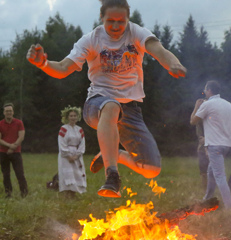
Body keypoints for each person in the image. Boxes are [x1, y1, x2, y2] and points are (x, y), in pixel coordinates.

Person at [26, 0, 187, 198]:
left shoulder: (136, 32)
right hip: (98, 104)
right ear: (101, 17)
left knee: (151, 169)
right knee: (111, 106)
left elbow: (158, 50)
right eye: (110, 21)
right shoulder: (91, 40)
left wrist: (173, 63)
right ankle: (112, 176)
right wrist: (42, 63)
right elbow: (62, 69)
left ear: (128, 18)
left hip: (131, 110)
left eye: (121, 21)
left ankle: (113, 154)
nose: (116, 26)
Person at [190, 80, 231, 209]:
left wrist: (197, 106)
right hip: (226, 146)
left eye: (205, 90)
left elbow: (193, 121)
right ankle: (207, 199)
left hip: (214, 146)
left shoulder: (207, 104)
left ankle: (230, 207)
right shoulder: (228, 104)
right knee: (211, 171)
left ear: (209, 90)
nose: (204, 92)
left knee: (220, 176)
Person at [0, 103, 28, 198]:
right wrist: (9, 146)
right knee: (6, 175)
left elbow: (21, 136)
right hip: (3, 153)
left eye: (10, 111)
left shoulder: (19, 122)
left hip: (16, 153)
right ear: (4, 112)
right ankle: (8, 194)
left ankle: (24, 193)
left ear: (13, 112)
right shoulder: (0, 124)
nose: (9, 112)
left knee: (20, 173)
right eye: (7, 111)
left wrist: (13, 147)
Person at [58, 106, 86, 198]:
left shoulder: (79, 129)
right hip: (66, 155)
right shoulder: (64, 128)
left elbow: (82, 143)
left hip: (76, 154)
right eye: (71, 116)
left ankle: (74, 193)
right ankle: (67, 194)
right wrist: (68, 155)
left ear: (77, 117)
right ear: (67, 117)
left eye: (75, 116)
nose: (73, 118)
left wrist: (77, 155)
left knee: (76, 173)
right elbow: (61, 142)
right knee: (67, 173)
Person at [195, 109, 209, 190]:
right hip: (202, 148)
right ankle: (205, 190)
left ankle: (211, 188)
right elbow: (200, 138)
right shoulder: (199, 121)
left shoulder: (213, 119)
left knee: (214, 171)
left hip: (213, 147)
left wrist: (207, 139)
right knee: (203, 172)